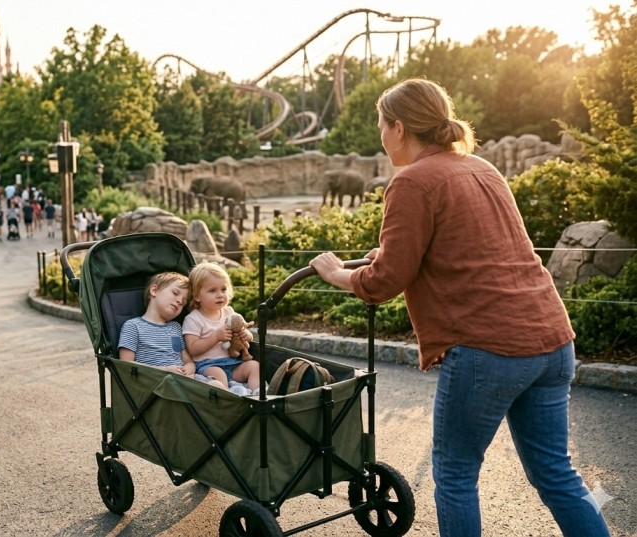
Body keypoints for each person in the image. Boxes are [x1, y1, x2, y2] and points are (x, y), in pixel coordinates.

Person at [307, 78, 611, 537]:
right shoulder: (483, 169)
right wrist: (385, 256)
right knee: (556, 474)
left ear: (401, 127)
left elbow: (383, 283)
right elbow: (467, 249)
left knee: (454, 476)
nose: (381, 136)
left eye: (381, 125)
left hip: (488, 349)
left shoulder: (410, 181)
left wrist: (338, 275)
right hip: (551, 339)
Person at [117, 272, 225, 388]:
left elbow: (188, 361)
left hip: (184, 380)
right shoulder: (133, 326)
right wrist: (165, 370)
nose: (179, 301)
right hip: (156, 384)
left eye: (183, 302)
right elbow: (126, 366)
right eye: (175, 293)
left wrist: (188, 368)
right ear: (154, 291)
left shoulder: (176, 328)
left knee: (218, 384)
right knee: (217, 390)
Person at [183, 262, 259, 392]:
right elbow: (192, 349)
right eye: (212, 290)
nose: (220, 295)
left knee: (254, 366)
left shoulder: (229, 312)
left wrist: (247, 335)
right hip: (208, 366)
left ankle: (255, 394)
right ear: (197, 296)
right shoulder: (193, 319)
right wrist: (215, 337)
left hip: (233, 363)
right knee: (219, 374)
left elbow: (243, 329)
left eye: (223, 289)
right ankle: (228, 399)